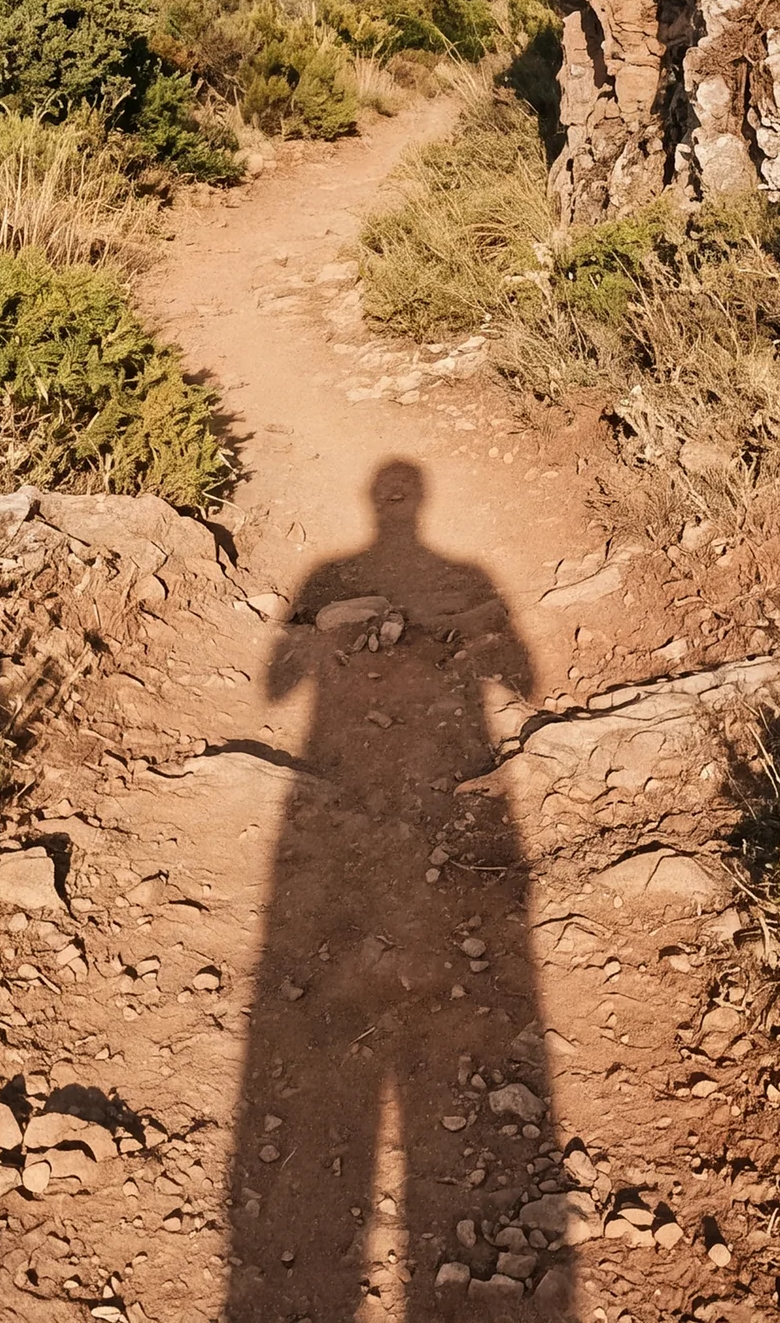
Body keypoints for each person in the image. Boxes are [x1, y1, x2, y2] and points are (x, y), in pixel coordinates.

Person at [226, 459, 569, 1319]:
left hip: (327, 804)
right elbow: (524, 676)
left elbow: (275, 683)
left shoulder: (338, 576)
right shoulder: (467, 577)